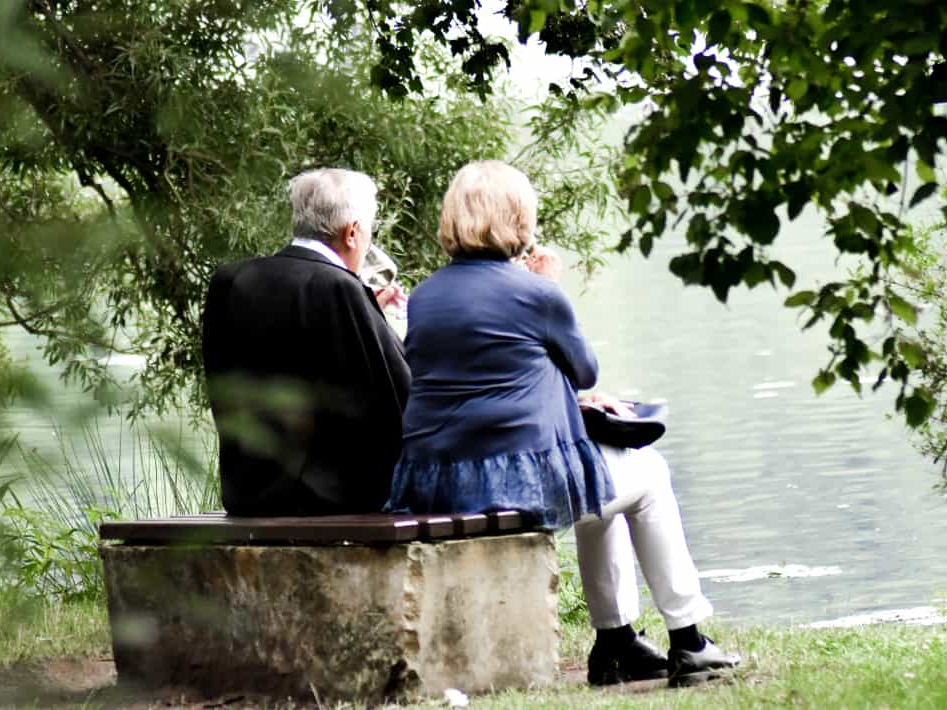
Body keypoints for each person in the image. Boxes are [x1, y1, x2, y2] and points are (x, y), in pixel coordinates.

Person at [386, 160, 739, 687]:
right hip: (511, 483)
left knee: (606, 487)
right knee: (649, 473)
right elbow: (584, 369)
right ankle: (688, 638)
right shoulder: (536, 293)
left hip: (437, 479)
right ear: (518, 218)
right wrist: (549, 287)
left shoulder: (428, 296)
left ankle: (616, 642)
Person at [201, 168, 410, 516]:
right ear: (353, 233)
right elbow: (396, 396)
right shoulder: (340, 288)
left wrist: (370, 311)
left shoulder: (230, 280)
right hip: (331, 499)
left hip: (248, 492)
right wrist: (385, 325)